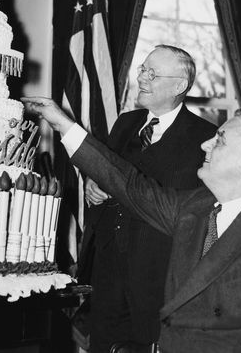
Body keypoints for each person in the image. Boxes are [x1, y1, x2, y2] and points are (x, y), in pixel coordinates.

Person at [22, 98, 241, 353]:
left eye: (220, 140)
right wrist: (63, 123)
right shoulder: (195, 206)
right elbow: (130, 184)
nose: (205, 144)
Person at [76, 45, 216, 352]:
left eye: (153, 73)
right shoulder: (126, 122)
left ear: (180, 86)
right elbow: (107, 173)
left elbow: (198, 214)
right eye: (142, 69)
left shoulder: (206, 138)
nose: (143, 78)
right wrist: (92, 186)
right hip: (108, 269)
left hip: (158, 277)